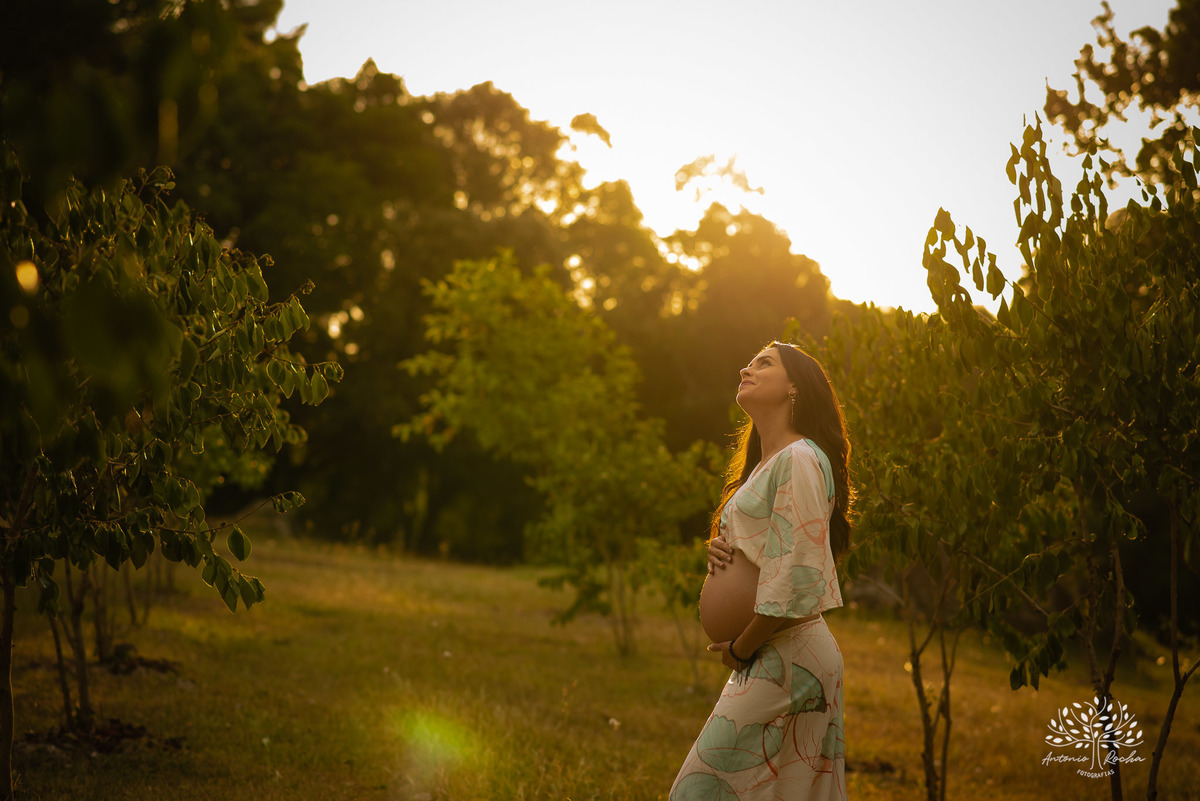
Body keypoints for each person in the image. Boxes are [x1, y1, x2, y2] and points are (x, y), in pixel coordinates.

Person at [669, 341, 852, 801]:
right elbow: (772, 547)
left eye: (763, 363)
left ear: (795, 387)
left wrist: (742, 647)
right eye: (749, 362)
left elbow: (800, 571)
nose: (746, 368)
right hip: (775, 651)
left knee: (697, 793)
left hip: (784, 652)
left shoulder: (800, 458)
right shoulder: (770, 463)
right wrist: (724, 551)